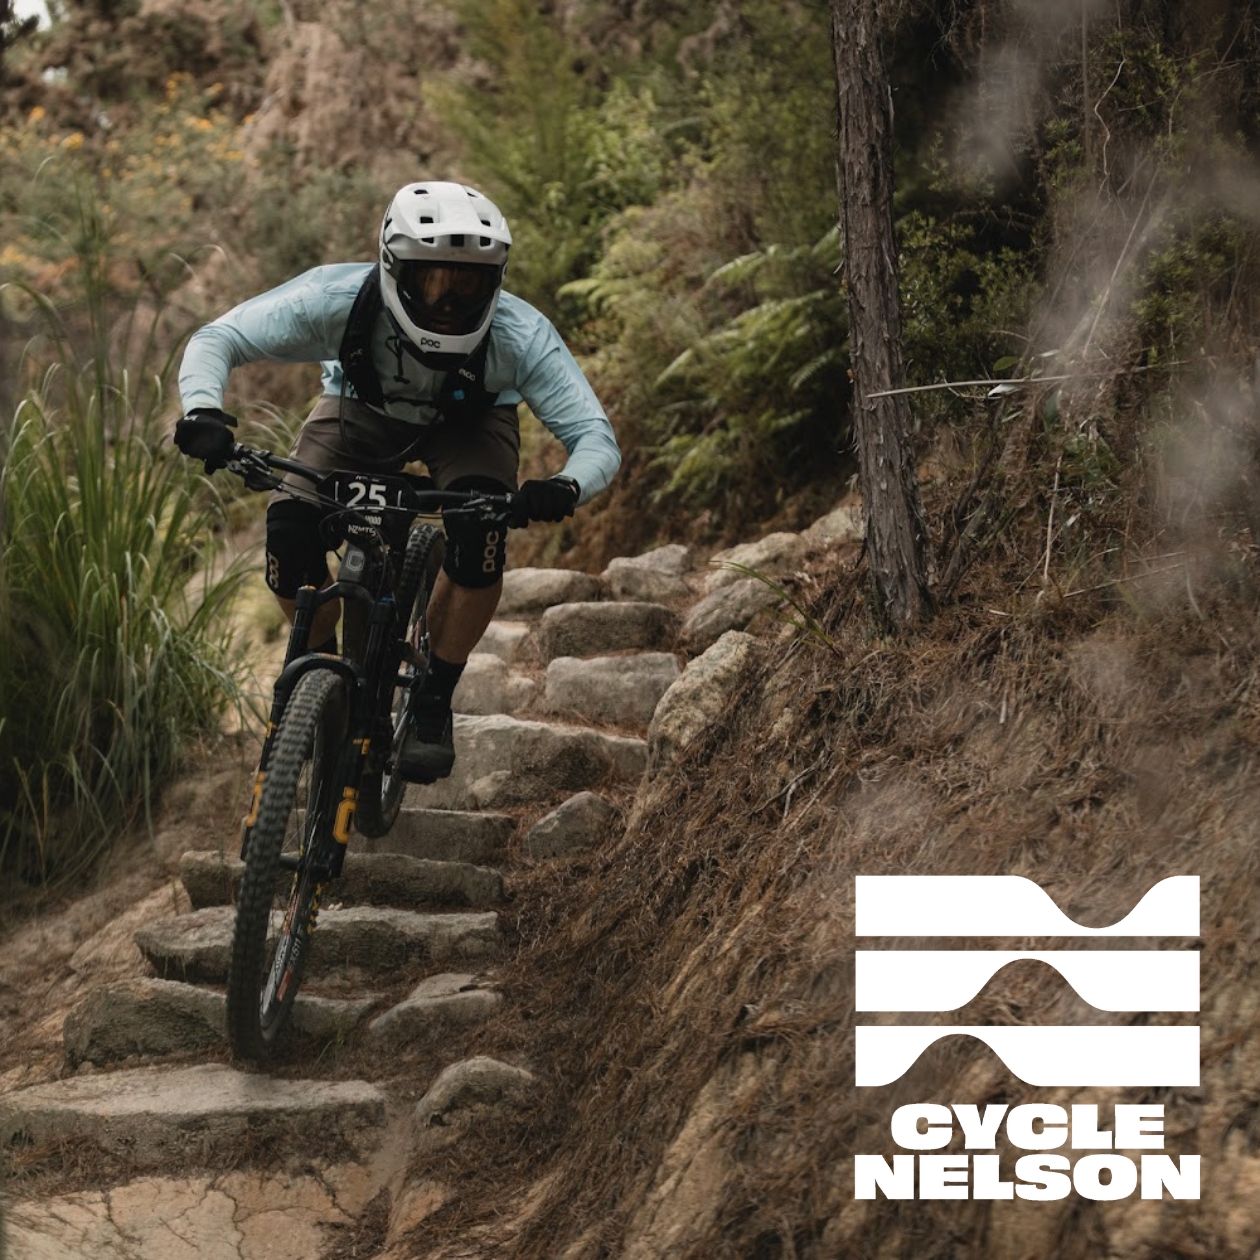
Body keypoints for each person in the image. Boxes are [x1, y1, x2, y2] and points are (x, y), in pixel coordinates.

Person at [174, 180, 620, 782]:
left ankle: (434, 696)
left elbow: (595, 437)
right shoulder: (332, 299)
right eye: (432, 281)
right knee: (289, 524)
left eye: (468, 285)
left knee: (481, 538)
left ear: (496, 281)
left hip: (470, 423)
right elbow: (219, 337)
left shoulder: (521, 336)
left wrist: (563, 486)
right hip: (359, 409)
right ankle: (318, 668)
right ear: (391, 267)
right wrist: (202, 411)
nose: (448, 302)